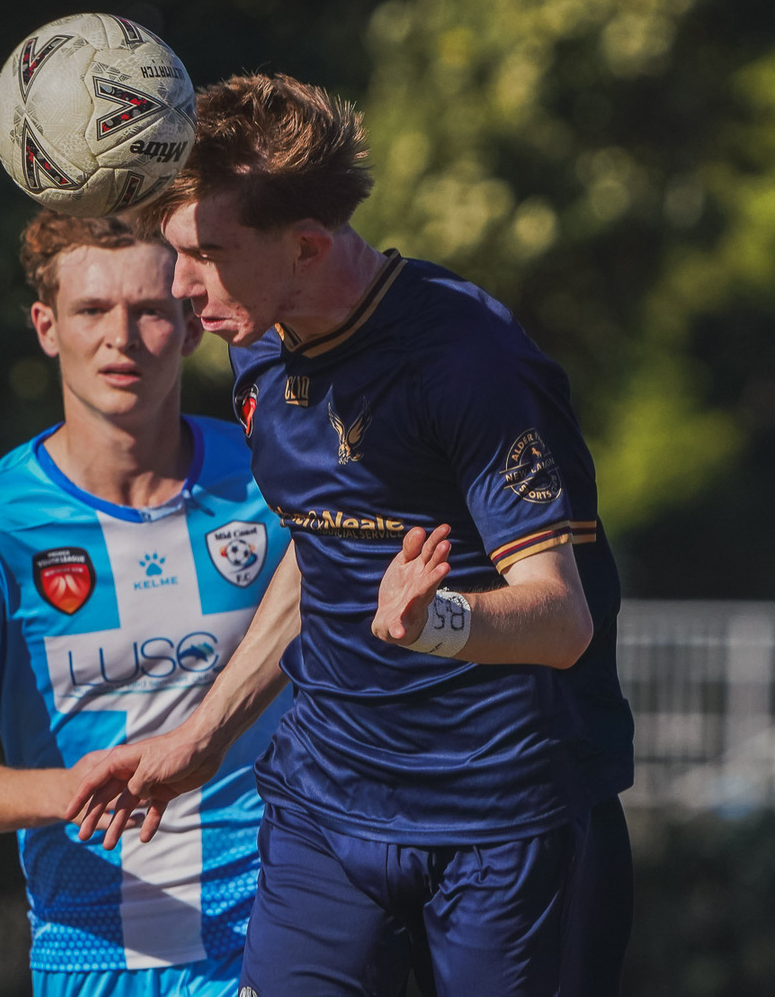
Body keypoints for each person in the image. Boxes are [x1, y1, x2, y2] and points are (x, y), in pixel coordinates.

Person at [66, 74, 635, 997]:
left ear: (305, 245)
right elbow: (321, 542)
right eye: (178, 249)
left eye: (208, 253)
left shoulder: (470, 364)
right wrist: (204, 734)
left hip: (502, 821)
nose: (181, 286)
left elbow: (559, 619)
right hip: (324, 807)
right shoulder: (254, 337)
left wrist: (437, 621)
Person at [0, 209, 296, 997]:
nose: (121, 337)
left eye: (148, 311)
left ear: (191, 324)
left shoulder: (274, 480)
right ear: (46, 326)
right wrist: (75, 787)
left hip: (274, 939)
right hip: (92, 953)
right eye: (91, 310)